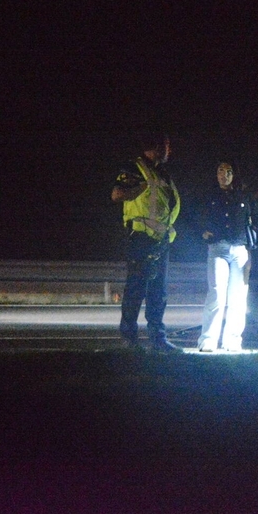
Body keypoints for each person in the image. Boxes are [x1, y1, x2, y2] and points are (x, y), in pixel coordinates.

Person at [111, 133, 182, 352]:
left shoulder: (161, 172)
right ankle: (129, 339)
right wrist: (137, 189)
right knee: (136, 288)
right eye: (167, 146)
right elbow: (116, 194)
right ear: (158, 147)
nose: (170, 151)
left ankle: (158, 339)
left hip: (160, 240)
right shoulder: (135, 167)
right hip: (141, 238)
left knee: (158, 292)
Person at [197, 160, 258, 353]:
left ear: (235, 175)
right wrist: (202, 231)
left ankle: (232, 340)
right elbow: (195, 217)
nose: (224, 175)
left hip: (241, 251)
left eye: (228, 171)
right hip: (217, 249)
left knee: (238, 298)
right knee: (216, 294)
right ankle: (208, 340)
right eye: (220, 171)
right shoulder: (209, 195)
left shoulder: (245, 196)